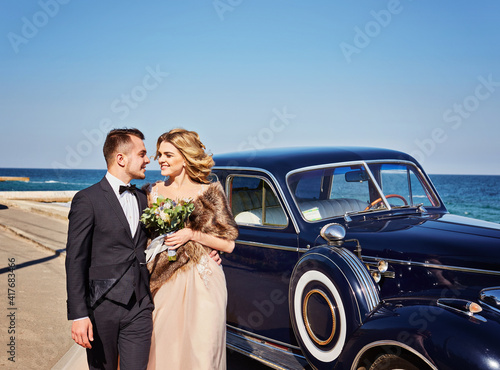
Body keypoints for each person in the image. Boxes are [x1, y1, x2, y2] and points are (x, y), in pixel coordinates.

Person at [146, 128, 238, 370]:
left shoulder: (209, 191)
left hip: (204, 280)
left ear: (185, 159)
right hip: (163, 279)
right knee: (164, 345)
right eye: (159, 155)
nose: (161, 160)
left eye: (168, 155)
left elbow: (228, 243)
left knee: (202, 349)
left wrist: (192, 235)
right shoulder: (152, 192)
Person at [65, 128, 154, 370]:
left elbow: (160, 242)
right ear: (121, 159)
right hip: (101, 306)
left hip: (140, 306)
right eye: (143, 153)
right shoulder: (87, 199)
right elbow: (75, 259)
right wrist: (79, 315)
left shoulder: (145, 199)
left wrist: (204, 250)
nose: (149, 159)